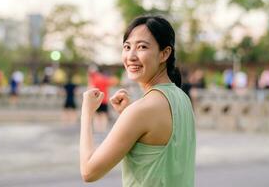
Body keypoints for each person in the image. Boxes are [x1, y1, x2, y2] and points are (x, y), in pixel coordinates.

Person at [80, 15, 196, 186]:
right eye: (127, 47)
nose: (131, 56)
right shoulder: (182, 98)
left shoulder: (142, 111)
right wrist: (128, 114)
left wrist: (86, 113)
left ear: (164, 53)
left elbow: (89, 172)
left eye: (142, 47)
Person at [88, 66, 119, 132]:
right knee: (104, 115)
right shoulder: (103, 78)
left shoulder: (93, 79)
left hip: (95, 100)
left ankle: (97, 129)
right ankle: (102, 129)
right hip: (104, 99)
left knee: (96, 115)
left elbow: (90, 88)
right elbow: (114, 82)